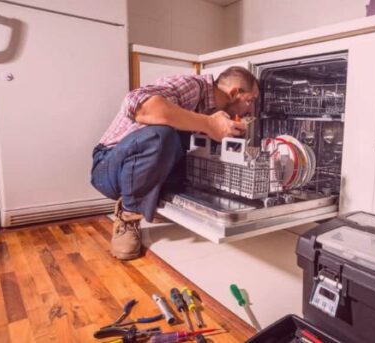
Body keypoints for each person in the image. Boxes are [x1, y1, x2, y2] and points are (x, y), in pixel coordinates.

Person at [91, 66, 259, 260]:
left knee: (190, 146)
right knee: (161, 135)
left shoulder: (212, 112)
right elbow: (139, 105)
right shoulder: (192, 86)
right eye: (250, 101)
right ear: (235, 93)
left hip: (139, 170)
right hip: (109, 167)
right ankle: (128, 217)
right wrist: (209, 124)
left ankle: (153, 201)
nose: (251, 109)